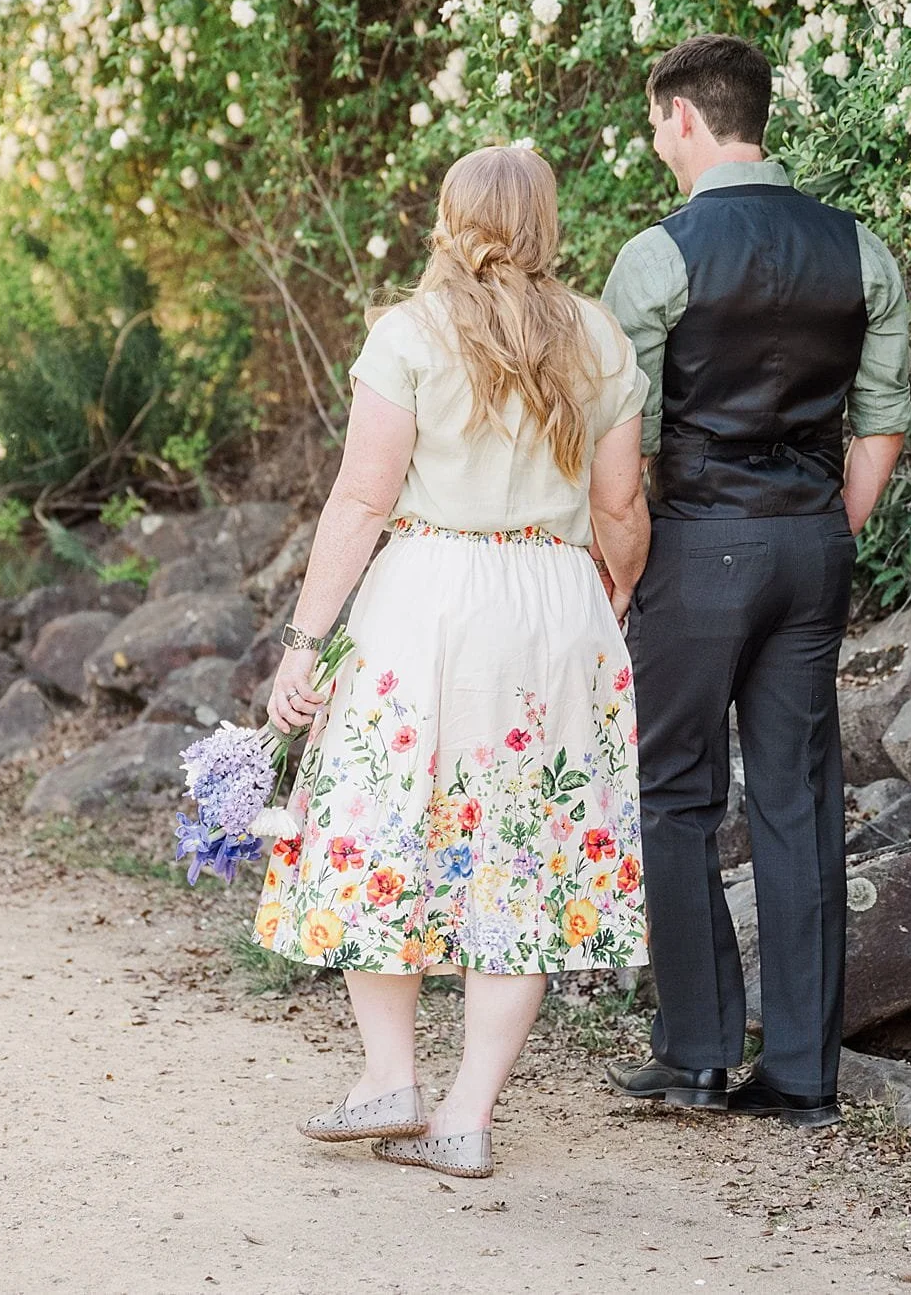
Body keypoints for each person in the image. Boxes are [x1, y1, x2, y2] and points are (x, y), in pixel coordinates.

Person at [255, 142, 653, 1181]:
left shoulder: (409, 333)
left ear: (447, 217)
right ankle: (468, 1113)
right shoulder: (600, 339)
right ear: (547, 224)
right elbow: (619, 507)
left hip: (429, 595)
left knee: (385, 823)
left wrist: (305, 640)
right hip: (552, 604)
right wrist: (608, 591)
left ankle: (391, 1072)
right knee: (521, 851)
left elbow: (360, 499)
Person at [597, 34, 911, 1125]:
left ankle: (692, 1049)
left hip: (692, 543)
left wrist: (622, 570)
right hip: (809, 543)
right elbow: (878, 428)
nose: (653, 143)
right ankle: (800, 1075)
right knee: (798, 798)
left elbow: (618, 448)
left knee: (676, 791)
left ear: (685, 118)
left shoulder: (658, 256)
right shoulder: (859, 247)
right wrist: (822, 526)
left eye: (654, 124)